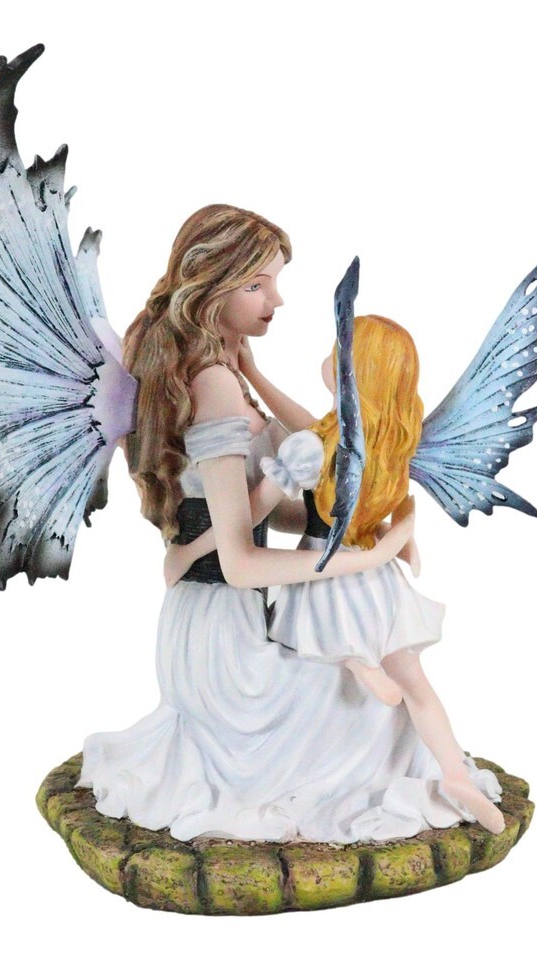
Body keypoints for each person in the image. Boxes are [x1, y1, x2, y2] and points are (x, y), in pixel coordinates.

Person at [78, 204, 501, 843]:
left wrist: (357, 522)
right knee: (371, 700)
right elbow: (242, 561)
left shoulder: (231, 380)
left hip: (240, 613)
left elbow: (310, 475)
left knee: (380, 659)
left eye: (274, 282)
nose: (276, 299)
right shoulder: (213, 387)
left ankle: (442, 766)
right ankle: (420, 765)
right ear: (212, 286)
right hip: (224, 635)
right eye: (257, 284)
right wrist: (363, 555)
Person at [165, 315, 505, 834]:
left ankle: (358, 665)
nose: (327, 360)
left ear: (351, 372)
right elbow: (311, 426)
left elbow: (256, 506)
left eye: (336, 355)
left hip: (327, 572)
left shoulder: (312, 449)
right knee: (415, 681)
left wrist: (191, 549)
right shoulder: (390, 442)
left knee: (319, 635)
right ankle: (455, 773)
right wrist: (402, 538)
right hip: (377, 581)